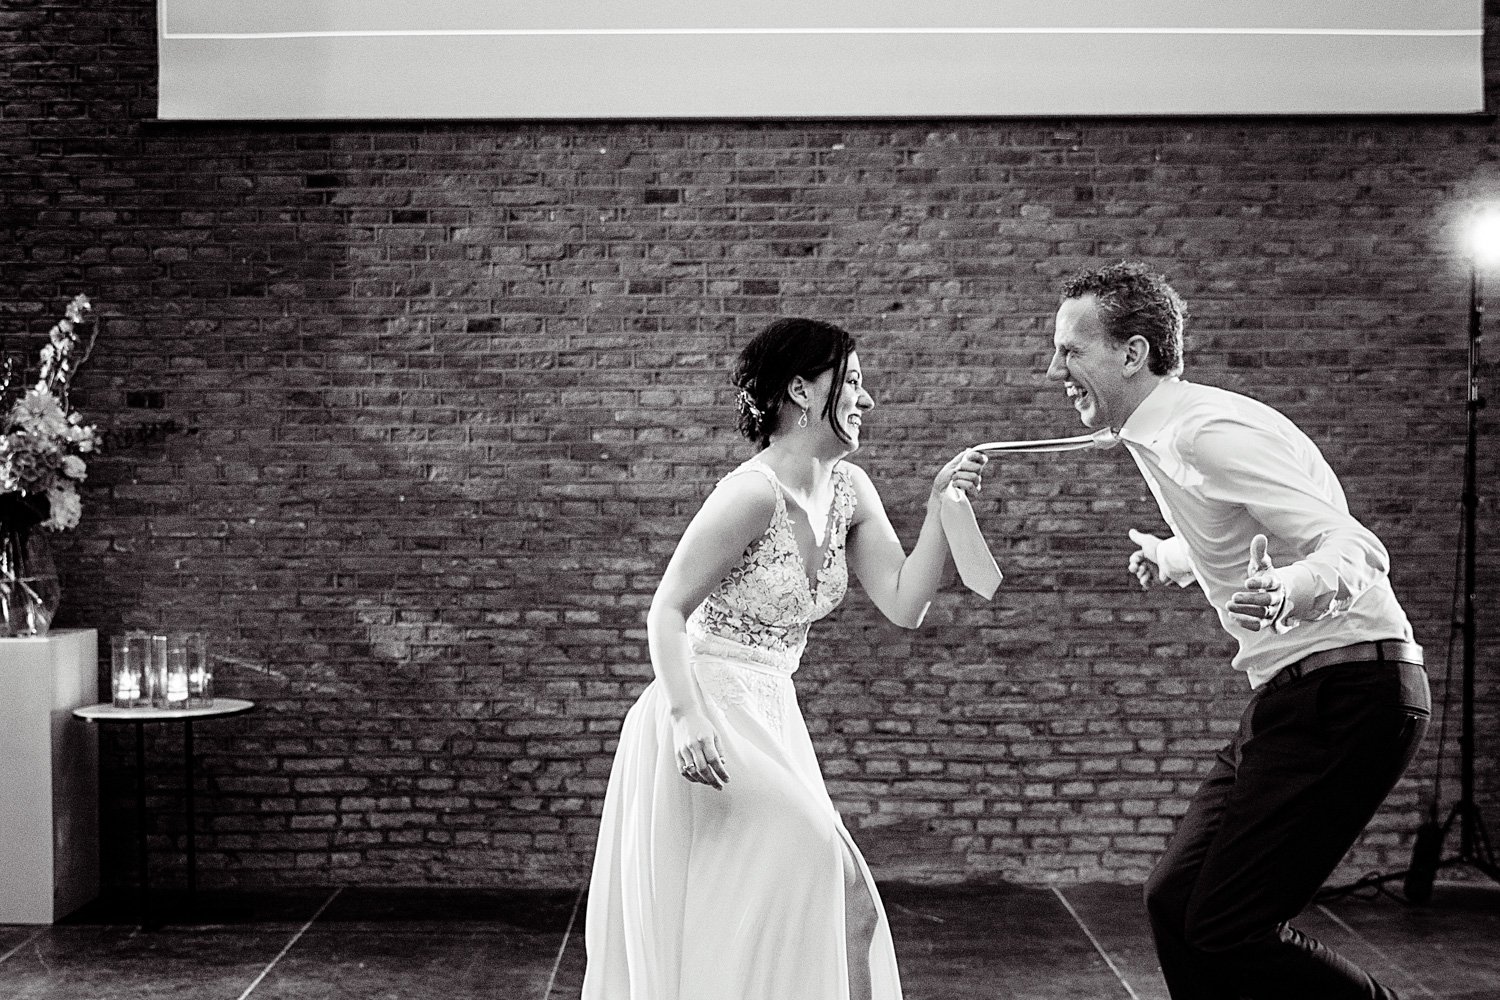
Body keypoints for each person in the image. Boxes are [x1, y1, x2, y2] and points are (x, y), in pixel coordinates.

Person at [1044, 262, 1430, 1000]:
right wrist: (1174, 556)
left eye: (1071, 350)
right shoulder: (1166, 435)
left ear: (1132, 354)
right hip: (1295, 697)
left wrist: (1289, 589)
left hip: (1352, 692)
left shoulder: (1206, 433)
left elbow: (1357, 549)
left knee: (1227, 922)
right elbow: (1233, 521)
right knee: (1174, 902)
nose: (1054, 367)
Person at [582, 318, 988, 1000]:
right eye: (852, 382)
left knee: (842, 905)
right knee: (825, 870)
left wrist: (942, 507)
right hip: (705, 712)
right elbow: (666, 611)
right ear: (801, 390)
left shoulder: (851, 492)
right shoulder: (750, 493)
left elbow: (903, 602)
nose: (866, 399)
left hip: (773, 714)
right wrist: (686, 717)